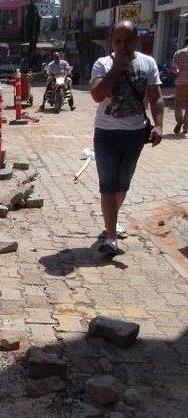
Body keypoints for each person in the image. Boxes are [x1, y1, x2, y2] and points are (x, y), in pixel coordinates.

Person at [89, 20, 163, 254]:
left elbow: (156, 97)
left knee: (123, 184)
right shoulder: (102, 64)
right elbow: (97, 95)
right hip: (106, 134)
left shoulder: (148, 63)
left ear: (136, 41)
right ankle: (111, 237)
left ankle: (112, 221)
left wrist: (159, 125)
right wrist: (116, 69)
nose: (122, 45)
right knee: (108, 185)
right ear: (112, 42)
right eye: (117, 41)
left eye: (127, 40)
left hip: (134, 135)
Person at [171, 38, 188, 134]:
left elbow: (174, 69)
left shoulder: (179, 53)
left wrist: (178, 72)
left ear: (184, 43)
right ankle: (186, 127)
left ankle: (179, 121)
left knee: (178, 104)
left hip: (181, 83)